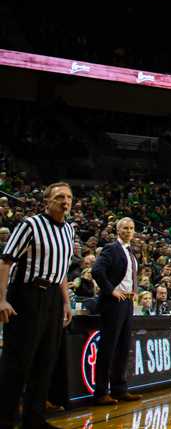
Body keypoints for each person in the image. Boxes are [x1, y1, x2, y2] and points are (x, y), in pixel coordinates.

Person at [0, 182, 76, 429]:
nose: (65, 201)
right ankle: (5, 418)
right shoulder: (29, 225)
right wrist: (1, 299)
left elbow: (62, 270)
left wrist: (66, 302)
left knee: (46, 360)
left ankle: (34, 418)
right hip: (27, 294)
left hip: (54, 295)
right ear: (47, 201)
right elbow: (5, 262)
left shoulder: (69, 230)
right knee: (18, 361)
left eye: (69, 197)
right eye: (59, 197)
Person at [90, 216, 143, 404]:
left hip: (127, 302)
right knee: (108, 348)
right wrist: (111, 290)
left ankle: (120, 389)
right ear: (118, 230)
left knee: (123, 348)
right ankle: (101, 392)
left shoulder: (131, 252)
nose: (128, 231)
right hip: (113, 304)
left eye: (131, 228)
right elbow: (96, 271)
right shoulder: (112, 248)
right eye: (125, 228)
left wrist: (133, 293)